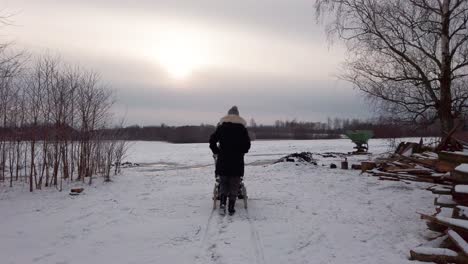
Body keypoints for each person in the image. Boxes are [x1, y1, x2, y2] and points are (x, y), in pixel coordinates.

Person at [209, 106, 251, 215]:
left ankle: (222, 204)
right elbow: (247, 145)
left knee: (223, 183)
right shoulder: (242, 128)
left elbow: (212, 141)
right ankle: (231, 207)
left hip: (223, 159)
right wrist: (241, 151)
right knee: (234, 183)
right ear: (238, 115)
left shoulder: (221, 127)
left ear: (227, 115)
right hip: (237, 160)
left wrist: (217, 151)